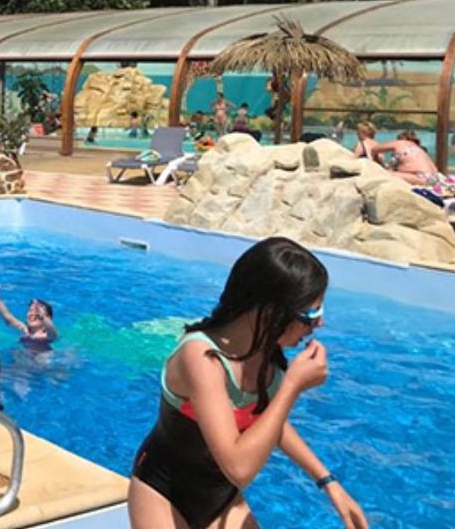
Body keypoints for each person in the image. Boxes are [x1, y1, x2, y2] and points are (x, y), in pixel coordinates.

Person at [128, 237, 367, 529]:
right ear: (269, 311)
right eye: (311, 314)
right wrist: (292, 387)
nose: (319, 324)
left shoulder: (265, 355)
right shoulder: (202, 358)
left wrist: (328, 481)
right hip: (163, 492)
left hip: (221, 497)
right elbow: (239, 469)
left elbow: (267, 421)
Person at [0, 284, 58, 348]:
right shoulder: (25, 329)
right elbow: (8, 318)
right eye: (30, 311)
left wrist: (44, 317)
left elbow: (52, 331)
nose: (33, 314)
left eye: (37, 312)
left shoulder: (47, 335)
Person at [371, 130, 440, 185]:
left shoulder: (400, 143)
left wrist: (376, 159)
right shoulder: (419, 149)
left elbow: (374, 149)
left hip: (422, 177)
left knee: (384, 174)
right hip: (436, 177)